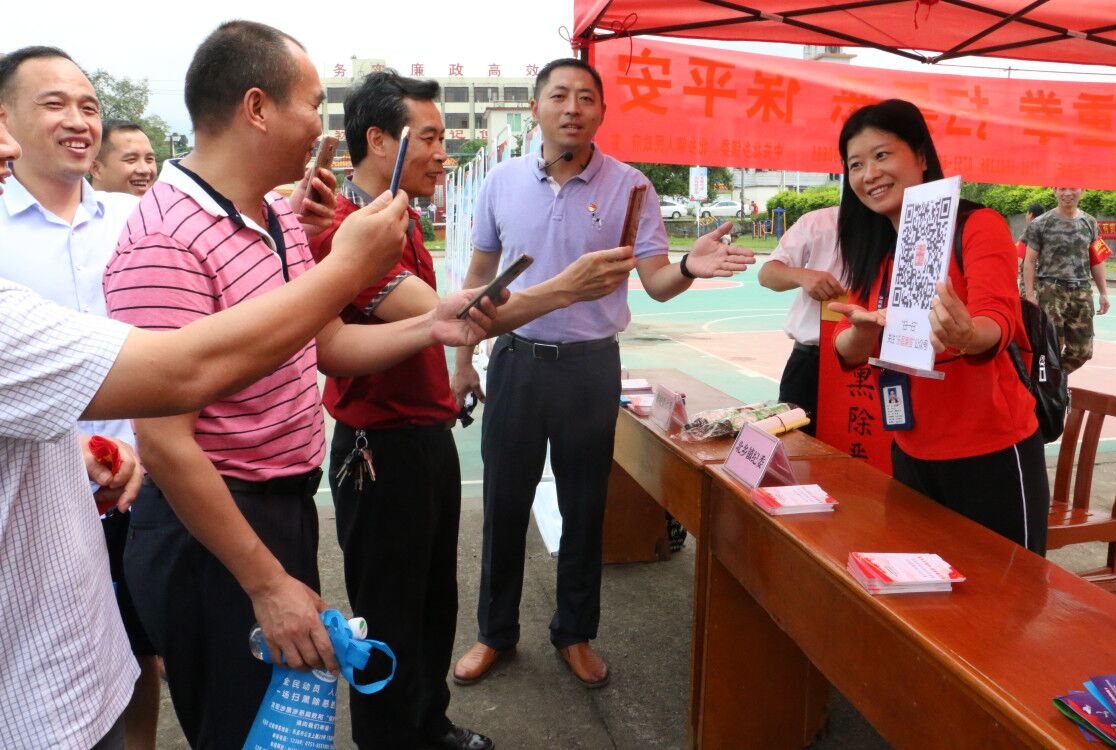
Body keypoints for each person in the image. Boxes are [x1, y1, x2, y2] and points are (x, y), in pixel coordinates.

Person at [0, 116, 495, 750]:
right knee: (241, 728)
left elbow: (324, 344)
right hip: (214, 523)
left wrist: (431, 327)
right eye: (313, 104)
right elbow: (170, 424)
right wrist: (265, 583)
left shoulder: (276, 218)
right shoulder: (167, 235)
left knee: (279, 727)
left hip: (277, 506)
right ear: (258, 108)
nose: (324, 128)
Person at [452, 57, 755, 689]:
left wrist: (690, 268)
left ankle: (575, 633)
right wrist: (461, 360)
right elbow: (476, 280)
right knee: (504, 505)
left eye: (586, 98)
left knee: (586, 507)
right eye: (558, 96)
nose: (572, 108)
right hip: (515, 361)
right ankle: (494, 634)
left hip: (591, 370)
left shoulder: (631, 187)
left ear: (601, 113)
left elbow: (657, 284)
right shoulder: (501, 182)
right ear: (535, 109)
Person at [306, 70, 491, 750]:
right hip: (378, 451)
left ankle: (427, 724)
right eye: (433, 137)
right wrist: (559, 290)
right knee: (388, 614)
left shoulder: (399, 215)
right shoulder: (344, 231)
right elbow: (448, 317)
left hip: (425, 435)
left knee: (433, 600)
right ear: (379, 140)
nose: (445, 154)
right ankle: (387, 740)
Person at [0, 45, 162, 749]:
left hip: (142, 475)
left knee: (135, 653)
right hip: (36, 498)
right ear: (4, 120)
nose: (78, 120)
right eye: (55, 103)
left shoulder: (139, 219)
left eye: (89, 105)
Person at [829, 98, 1050, 554]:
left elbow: (998, 316)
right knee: (926, 596)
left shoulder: (977, 224)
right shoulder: (878, 249)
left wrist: (968, 335)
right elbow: (848, 347)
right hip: (910, 448)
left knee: (1007, 599)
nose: (869, 173)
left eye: (882, 155)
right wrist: (865, 330)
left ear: (922, 156)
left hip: (991, 451)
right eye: (855, 164)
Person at [756, 205, 844, 434]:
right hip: (811, 362)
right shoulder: (820, 222)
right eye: (856, 166)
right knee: (796, 450)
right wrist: (803, 276)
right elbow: (767, 274)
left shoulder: (905, 222)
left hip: (879, 364)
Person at [1022, 187, 1112, 373]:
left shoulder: (1090, 223)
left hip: (1081, 291)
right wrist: (1029, 294)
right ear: (1055, 191)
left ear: (1083, 190)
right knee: (1052, 347)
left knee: (1083, 351)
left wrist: (1104, 293)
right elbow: (1029, 261)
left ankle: (1053, 382)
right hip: (1051, 292)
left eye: (1073, 188)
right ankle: (1049, 389)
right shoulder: (1041, 223)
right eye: (1062, 188)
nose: (1067, 193)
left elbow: (1096, 261)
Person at [91, 119, 157, 196]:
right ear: (96, 169)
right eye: (131, 159)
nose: (145, 170)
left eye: (149, 159)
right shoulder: (78, 208)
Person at [1014, 202, 1045, 295]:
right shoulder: (1048, 233)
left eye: (1027, 213)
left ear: (1030, 215)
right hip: (1046, 287)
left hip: (1029, 287)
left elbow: (1018, 260)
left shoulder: (1028, 234)